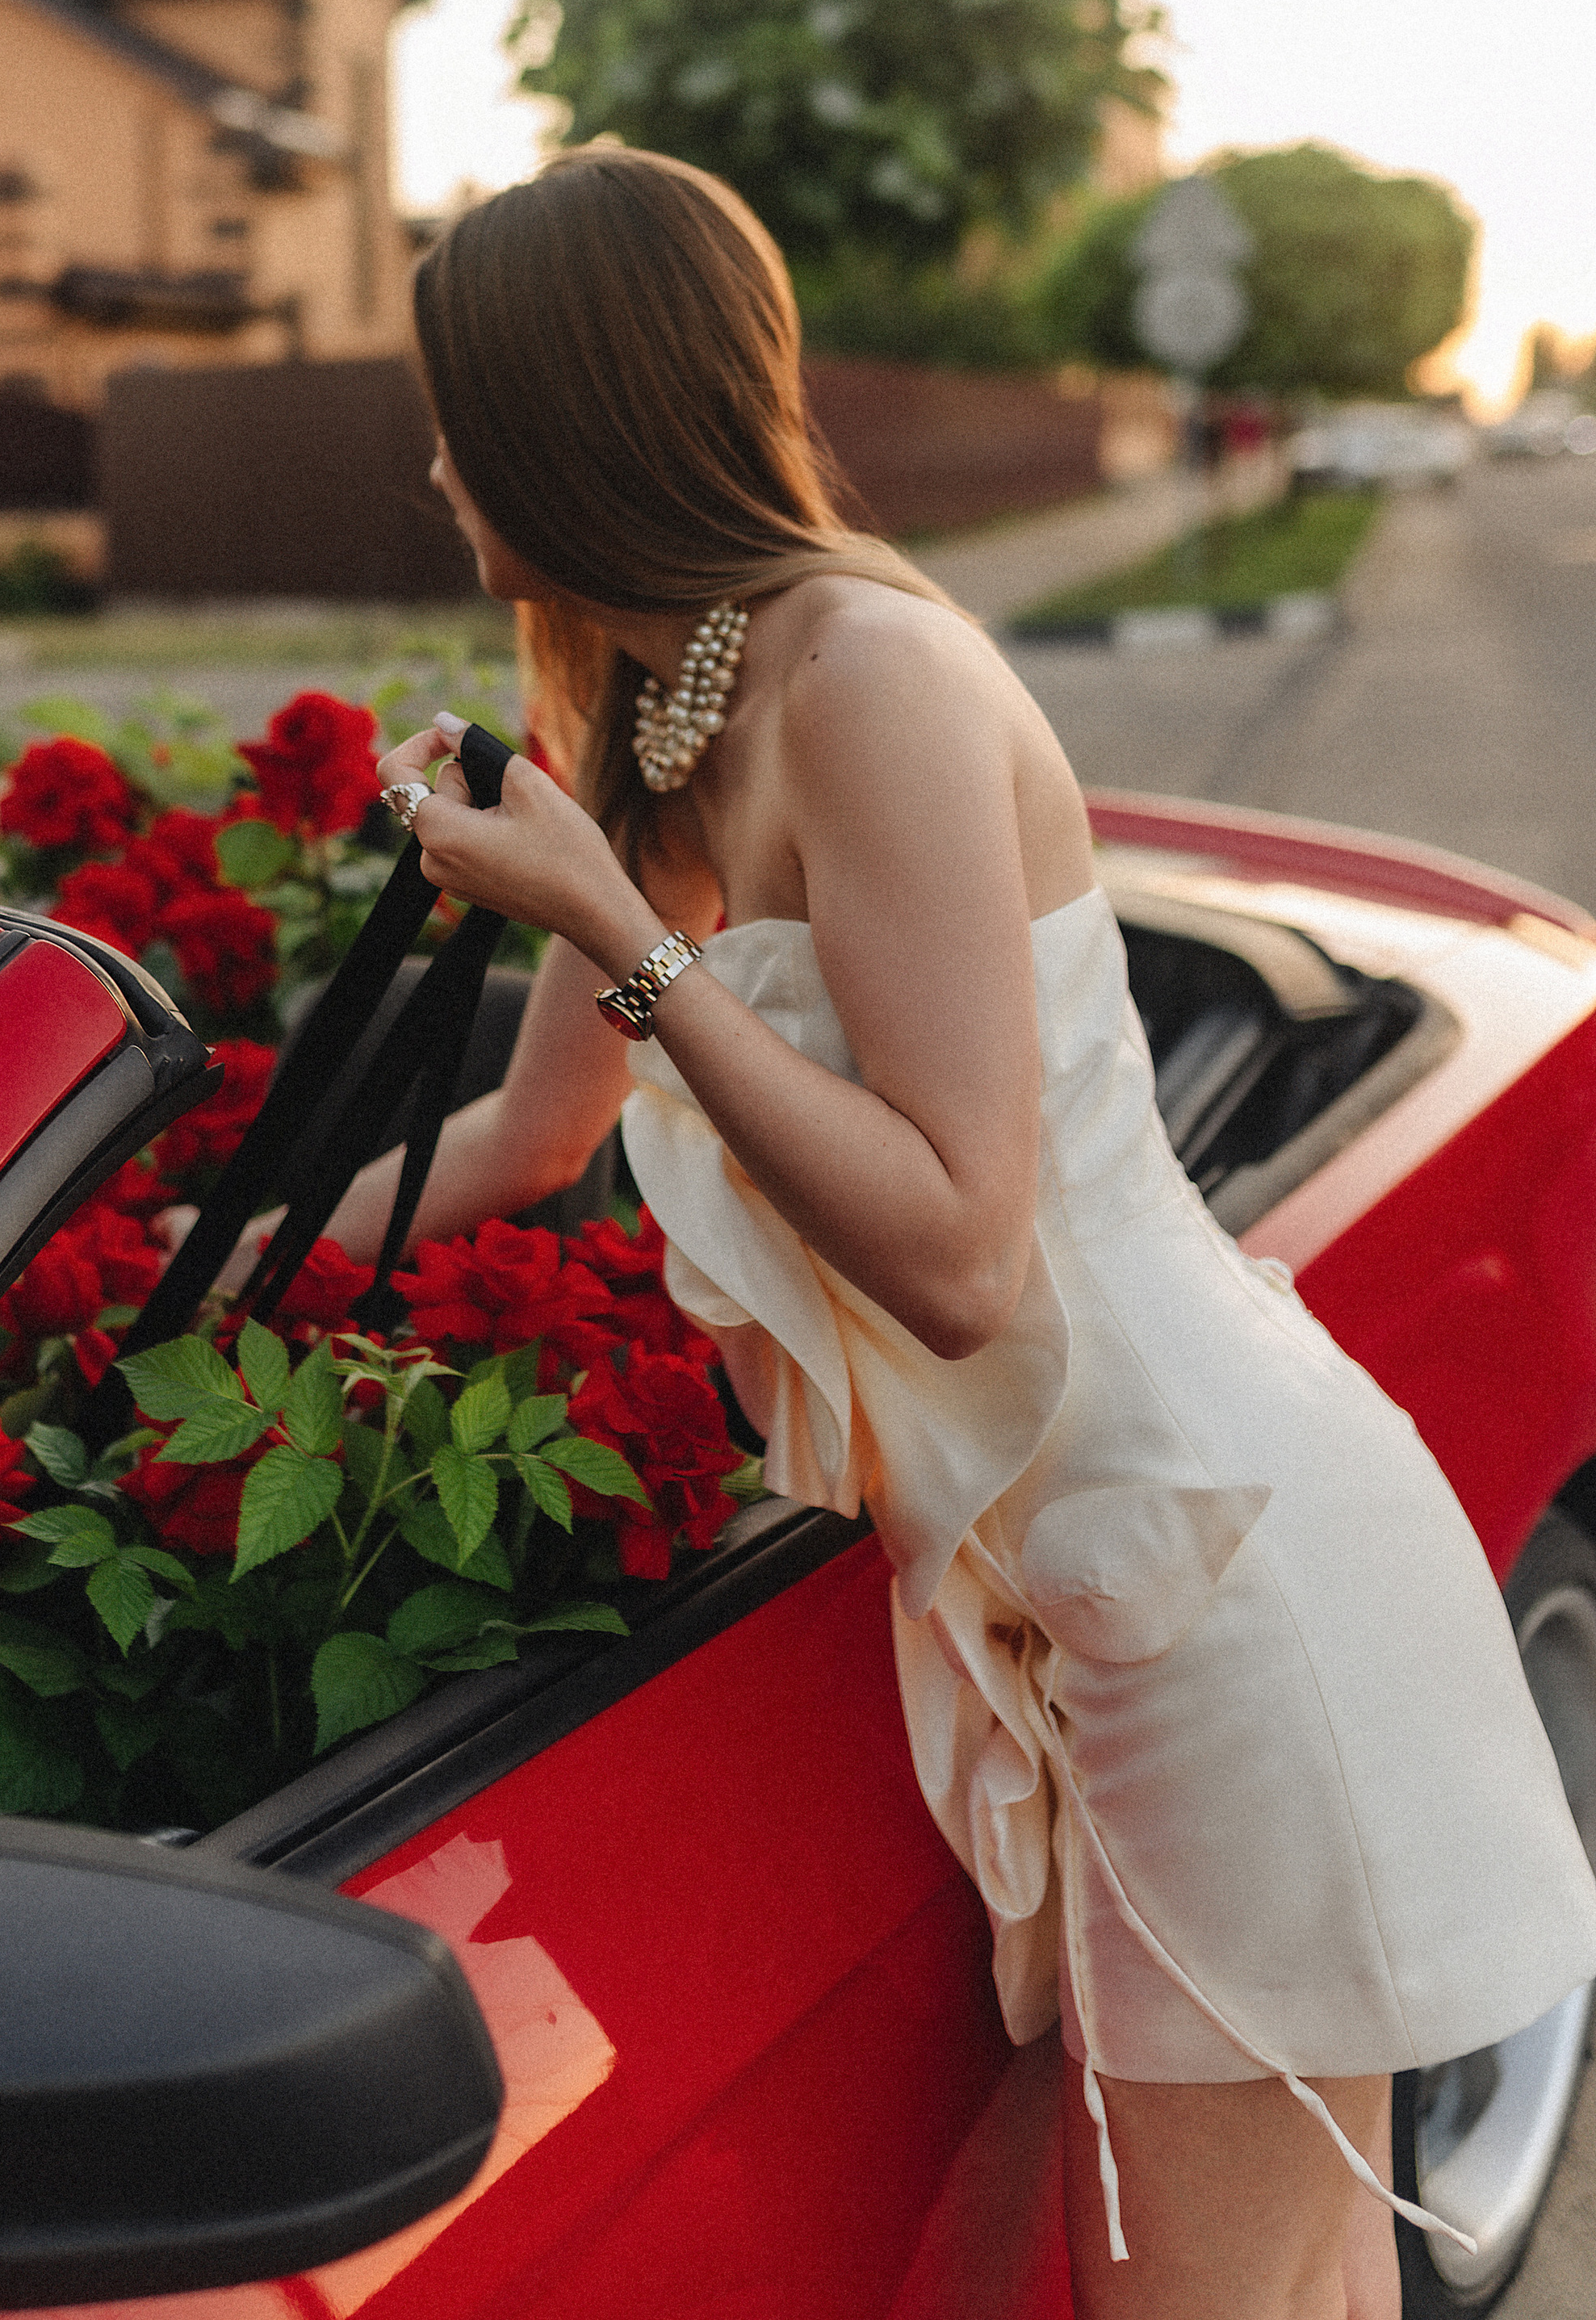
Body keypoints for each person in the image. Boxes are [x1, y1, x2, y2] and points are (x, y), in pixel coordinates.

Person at [281, 147, 1596, 2320]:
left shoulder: (866, 673)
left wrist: (612, 931)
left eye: (458, 414)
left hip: (1221, 1577)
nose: (434, 462)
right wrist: (151, 1283)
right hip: (1078, 1593)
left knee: (1225, 2301)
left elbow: (965, 1251)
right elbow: (527, 1139)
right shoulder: (665, 705)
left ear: (566, 423)